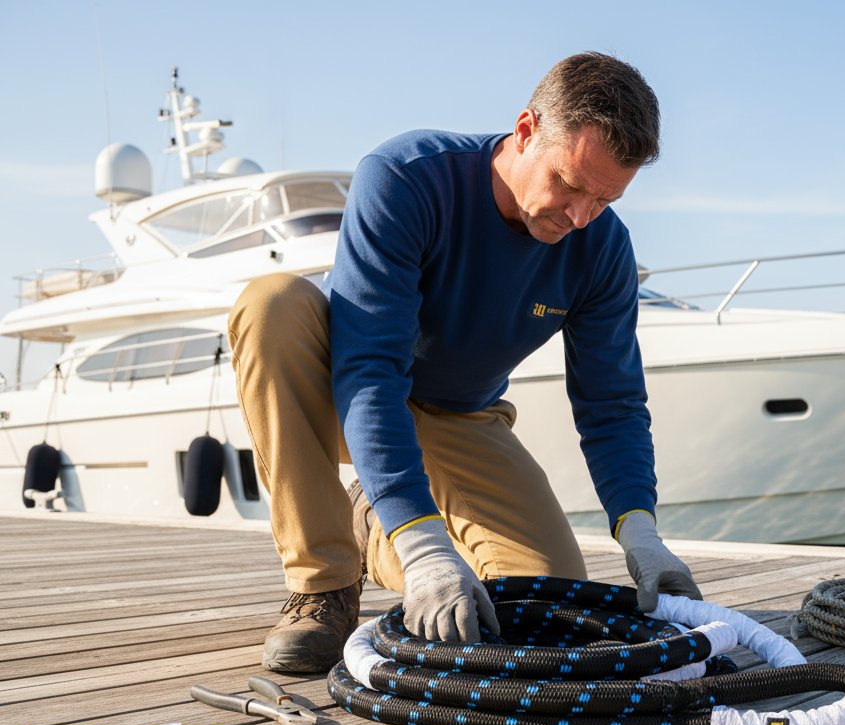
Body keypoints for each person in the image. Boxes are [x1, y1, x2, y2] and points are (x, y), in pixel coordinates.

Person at [228, 52, 703, 673]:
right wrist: (427, 546)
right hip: (347, 392)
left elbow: (611, 403)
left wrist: (640, 531)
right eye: (571, 185)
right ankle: (324, 584)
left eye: (605, 200)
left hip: (461, 416)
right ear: (526, 131)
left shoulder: (601, 247)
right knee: (273, 305)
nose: (580, 216)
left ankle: (376, 528)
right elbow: (371, 370)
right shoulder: (406, 177)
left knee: (537, 597)